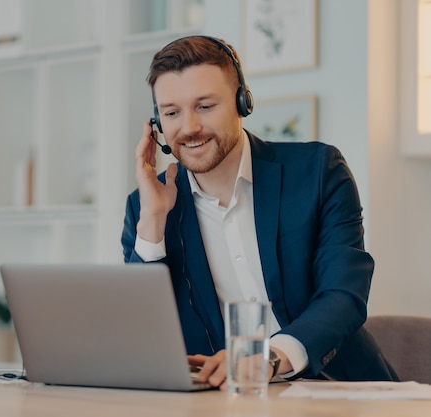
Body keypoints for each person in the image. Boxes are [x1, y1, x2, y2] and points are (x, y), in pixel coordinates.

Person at [121, 36, 398, 389]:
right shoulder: (145, 207)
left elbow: (344, 295)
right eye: (172, 112)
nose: (189, 127)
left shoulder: (319, 171)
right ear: (157, 123)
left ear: (242, 102)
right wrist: (153, 225)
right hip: (220, 403)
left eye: (205, 106)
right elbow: (144, 335)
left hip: (341, 389)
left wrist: (268, 358)